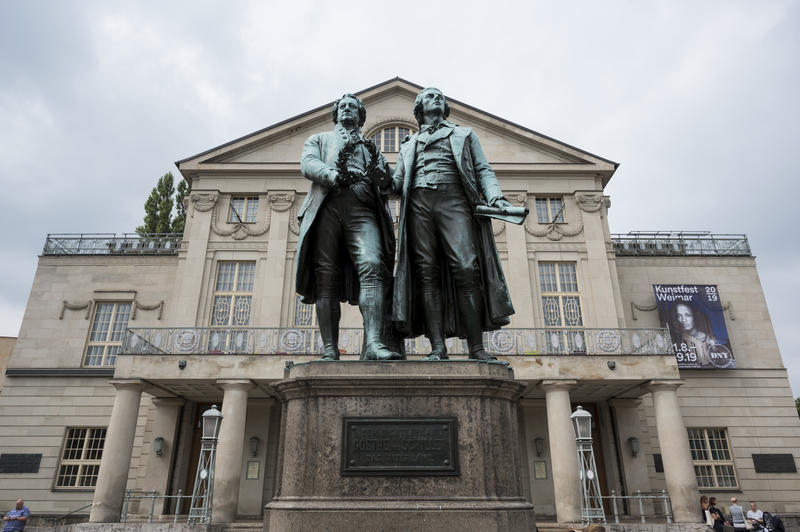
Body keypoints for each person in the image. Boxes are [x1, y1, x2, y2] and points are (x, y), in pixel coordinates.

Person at [391, 87, 515, 360]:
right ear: (419, 107)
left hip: (454, 201)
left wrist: (496, 197)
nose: (436, 98)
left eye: (439, 96)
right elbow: (396, 184)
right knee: (426, 274)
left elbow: (483, 169)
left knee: (467, 268)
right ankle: (437, 347)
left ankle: (477, 348)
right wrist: (378, 174)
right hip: (418, 206)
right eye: (429, 96)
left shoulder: (464, 134)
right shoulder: (409, 144)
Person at [296, 93, 402, 361]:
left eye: (352, 107)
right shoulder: (319, 139)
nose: (347, 110)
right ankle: (330, 349)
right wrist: (332, 175)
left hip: (362, 210)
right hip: (328, 207)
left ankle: (374, 344)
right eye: (342, 106)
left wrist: (382, 176)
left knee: (373, 267)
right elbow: (308, 164)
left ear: (360, 115)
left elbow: (387, 182)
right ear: (336, 114)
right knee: (326, 278)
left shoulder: (370, 147)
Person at [669, 301, 717, 366]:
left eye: (687, 315)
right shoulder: (677, 340)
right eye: (679, 316)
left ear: (694, 315)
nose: (683, 320)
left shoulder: (708, 337)